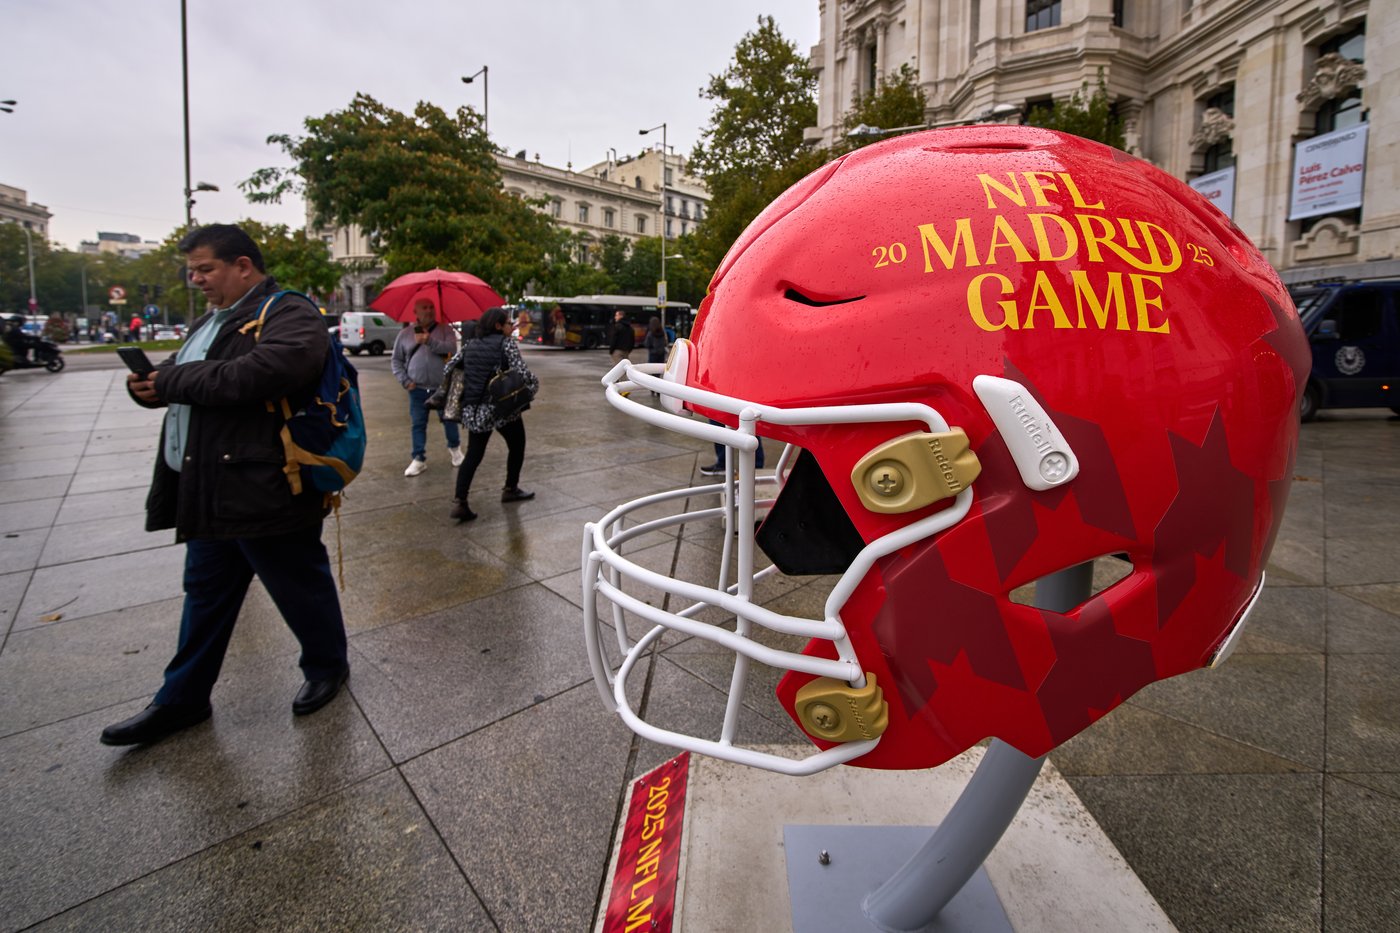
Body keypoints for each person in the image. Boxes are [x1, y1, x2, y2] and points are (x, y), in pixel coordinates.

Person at [99, 223, 350, 747]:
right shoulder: (212, 322)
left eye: (206, 269)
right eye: (192, 271)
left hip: (267, 485)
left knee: (298, 584)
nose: (197, 280)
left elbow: (262, 373)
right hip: (211, 486)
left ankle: (327, 666)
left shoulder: (288, 312)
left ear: (243, 265)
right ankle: (181, 698)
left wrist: (169, 382)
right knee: (206, 595)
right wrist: (148, 386)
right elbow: (183, 375)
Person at [447, 306, 538, 522]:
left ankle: (460, 502)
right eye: (508, 323)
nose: (511, 326)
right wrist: (534, 387)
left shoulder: (469, 344)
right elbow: (523, 374)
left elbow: (449, 368)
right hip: (501, 408)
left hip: (474, 409)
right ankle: (510, 489)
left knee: (473, 455)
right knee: (517, 446)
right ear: (498, 326)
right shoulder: (506, 344)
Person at [391, 297, 462, 476]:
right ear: (415, 312)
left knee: (449, 420)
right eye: (424, 308)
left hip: (441, 387)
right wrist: (405, 381)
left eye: (432, 307)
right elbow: (396, 361)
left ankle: (455, 450)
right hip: (418, 388)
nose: (429, 311)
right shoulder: (405, 334)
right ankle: (418, 459)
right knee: (418, 424)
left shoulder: (445, 330)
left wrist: (429, 341)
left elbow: (452, 350)